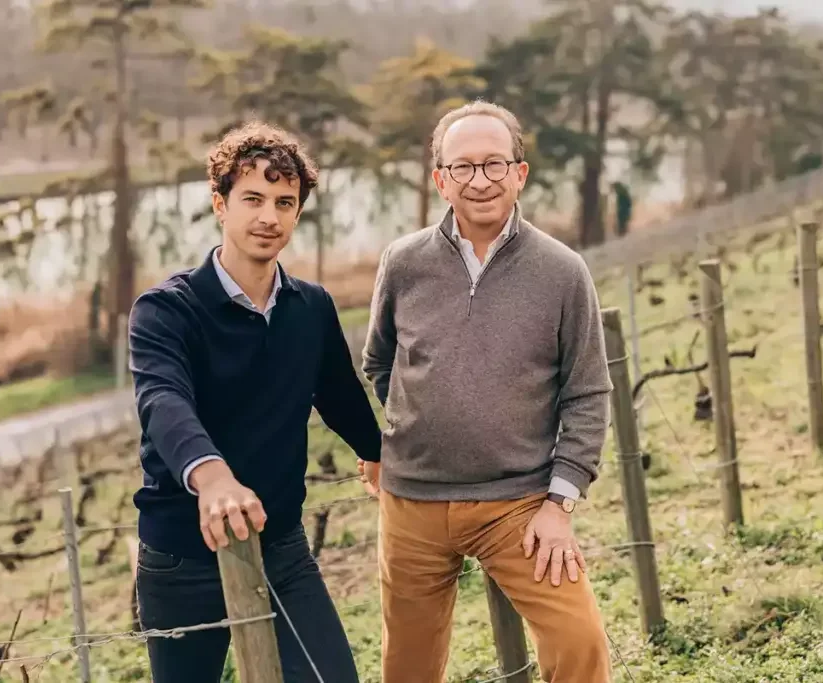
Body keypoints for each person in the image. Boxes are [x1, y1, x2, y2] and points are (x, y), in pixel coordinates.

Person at [360, 100, 614, 683]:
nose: (480, 180)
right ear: (440, 180)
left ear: (520, 173)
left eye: (495, 164)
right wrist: (408, 429)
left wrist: (560, 503)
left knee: (580, 645)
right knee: (407, 667)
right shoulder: (402, 263)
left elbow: (587, 392)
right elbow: (380, 363)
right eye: (464, 167)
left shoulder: (562, 271)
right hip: (412, 505)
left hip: (521, 507)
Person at [128, 121, 381, 683]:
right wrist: (212, 477)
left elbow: (338, 394)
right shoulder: (166, 311)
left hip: (282, 548)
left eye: (285, 202)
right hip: (181, 558)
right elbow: (163, 400)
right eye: (253, 199)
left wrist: (378, 450)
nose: (270, 216)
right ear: (220, 205)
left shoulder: (310, 306)